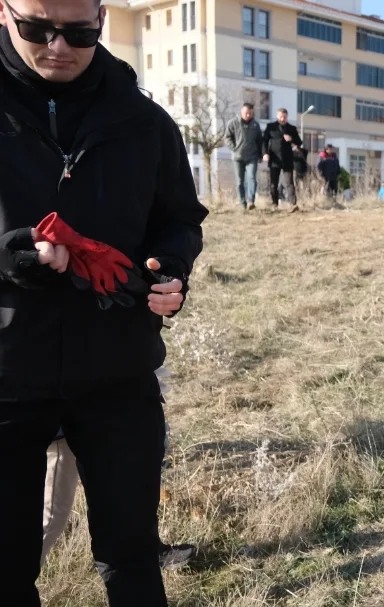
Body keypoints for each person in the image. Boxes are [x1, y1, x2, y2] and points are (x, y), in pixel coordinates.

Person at [0, 0, 208, 604]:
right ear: (5, 15)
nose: (58, 46)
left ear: (100, 18)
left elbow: (181, 219)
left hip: (117, 372)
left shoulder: (142, 120)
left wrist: (171, 269)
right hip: (7, 373)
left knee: (133, 557)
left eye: (80, 32)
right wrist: (10, 256)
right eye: (38, 30)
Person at [41, 367, 195, 571]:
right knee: (52, 514)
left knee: (127, 485)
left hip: (112, 388)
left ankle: (147, 550)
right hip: (58, 395)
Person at [224, 102, 262, 211]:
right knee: (239, 181)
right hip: (237, 157)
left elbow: (259, 140)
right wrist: (234, 147)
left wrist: (260, 154)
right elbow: (227, 137)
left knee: (252, 178)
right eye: (246, 113)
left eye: (250, 113)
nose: (248, 115)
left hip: (252, 157)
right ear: (241, 112)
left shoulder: (255, 125)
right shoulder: (233, 123)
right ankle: (242, 203)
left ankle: (251, 201)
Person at [262, 107, 300, 211]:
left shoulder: (292, 128)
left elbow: (299, 142)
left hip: (287, 159)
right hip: (274, 159)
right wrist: (265, 153)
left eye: (284, 117)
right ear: (277, 116)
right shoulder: (271, 127)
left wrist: (291, 139)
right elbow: (264, 141)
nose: (282, 119)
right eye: (280, 117)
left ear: (287, 117)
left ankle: (293, 204)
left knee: (289, 182)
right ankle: (274, 204)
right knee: (274, 183)